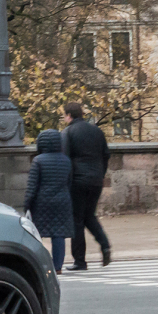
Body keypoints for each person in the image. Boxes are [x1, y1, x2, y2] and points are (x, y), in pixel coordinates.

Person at [60, 102, 112, 270]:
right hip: (96, 180)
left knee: (77, 220)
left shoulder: (68, 132)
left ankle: (80, 261)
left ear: (69, 115)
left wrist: (67, 182)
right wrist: (100, 174)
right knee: (89, 215)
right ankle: (104, 244)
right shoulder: (97, 131)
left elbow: (65, 158)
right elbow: (106, 155)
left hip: (78, 181)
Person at [23, 129, 73, 274]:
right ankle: (58, 267)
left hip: (42, 202)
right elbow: (69, 182)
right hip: (62, 201)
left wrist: (27, 204)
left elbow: (32, 186)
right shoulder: (66, 160)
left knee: (37, 234)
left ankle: (40, 263)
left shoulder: (38, 160)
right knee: (58, 234)